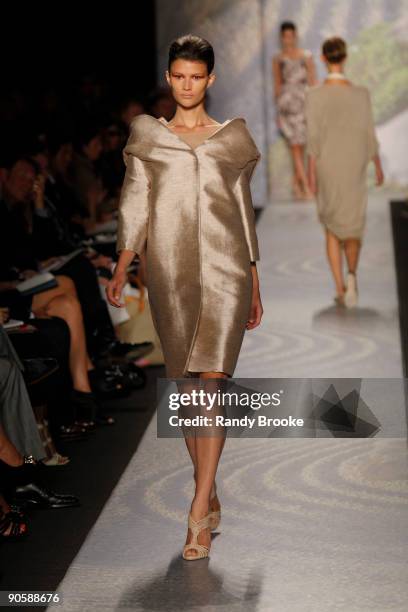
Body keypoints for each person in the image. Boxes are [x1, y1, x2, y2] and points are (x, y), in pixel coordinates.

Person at [106, 34, 263, 560]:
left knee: (212, 383)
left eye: (196, 76)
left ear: (210, 79)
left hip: (226, 271)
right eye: (179, 76)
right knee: (188, 390)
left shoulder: (232, 139)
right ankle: (209, 486)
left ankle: (197, 512)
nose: (187, 84)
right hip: (169, 271)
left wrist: (255, 280)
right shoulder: (148, 137)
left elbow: (243, 213)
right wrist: (124, 262)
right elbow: (135, 201)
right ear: (169, 78)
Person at [305, 37, 384, 307]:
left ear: (323, 58)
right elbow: (368, 132)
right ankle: (352, 275)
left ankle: (340, 288)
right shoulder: (361, 94)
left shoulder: (314, 95)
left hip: (328, 163)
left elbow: (313, 139)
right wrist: (378, 165)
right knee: (352, 224)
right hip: (354, 163)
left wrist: (310, 174)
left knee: (331, 227)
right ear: (345, 58)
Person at [272, 21, 317, 200]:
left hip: (304, 103)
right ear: (281, 37)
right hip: (287, 105)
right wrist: (278, 111)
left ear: (296, 36)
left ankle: (296, 185)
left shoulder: (306, 56)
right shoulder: (278, 58)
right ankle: (306, 187)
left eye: (291, 36)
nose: (288, 39)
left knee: (302, 145)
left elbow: (313, 81)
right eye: (285, 36)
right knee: (295, 146)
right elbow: (277, 84)